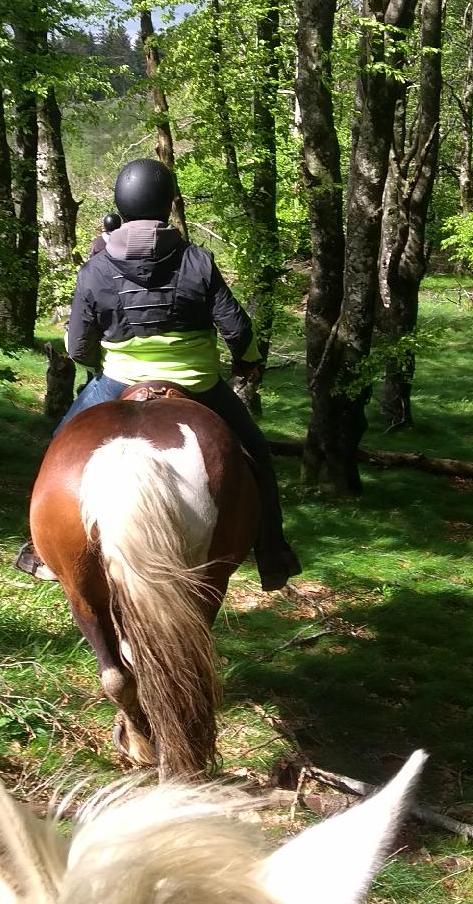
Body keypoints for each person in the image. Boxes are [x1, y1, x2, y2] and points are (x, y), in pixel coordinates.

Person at [16, 158, 299, 591]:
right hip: (199, 386)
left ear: (120, 204)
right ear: (169, 204)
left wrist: (96, 364)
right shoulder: (197, 261)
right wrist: (248, 361)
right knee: (256, 454)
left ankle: (41, 548)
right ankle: (272, 553)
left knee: (60, 445)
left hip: (117, 382)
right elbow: (237, 329)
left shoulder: (95, 268)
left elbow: (77, 346)